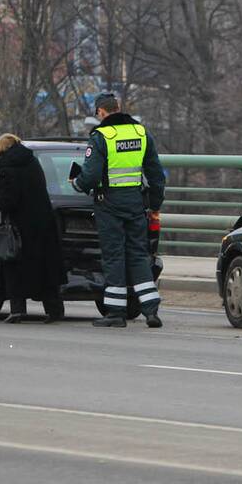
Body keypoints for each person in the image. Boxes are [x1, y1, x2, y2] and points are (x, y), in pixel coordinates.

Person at [73, 93, 166, 328]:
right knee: (138, 254)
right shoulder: (141, 133)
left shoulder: (101, 136)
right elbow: (156, 174)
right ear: (119, 108)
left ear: (101, 113)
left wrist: (77, 183)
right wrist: (154, 205)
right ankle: (151, 310)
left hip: (109, 205)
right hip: (136, 202)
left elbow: (91, 176)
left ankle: (115, 312)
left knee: (114, 255)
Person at [0, 133, 67, 324]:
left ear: (1, 150)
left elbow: (8, 200)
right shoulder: (33, 162)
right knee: (46, 268)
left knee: (14, 267)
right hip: (43, 222)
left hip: (19, 227)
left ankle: (18, 310)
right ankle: (54, 310)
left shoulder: (7, 168)